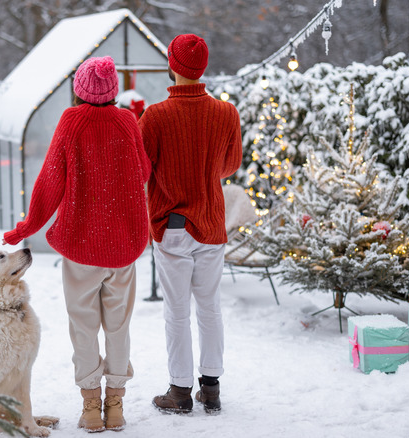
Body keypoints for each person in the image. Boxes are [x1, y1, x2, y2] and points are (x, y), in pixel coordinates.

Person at [2, 56, 150, 432]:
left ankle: (89, 409)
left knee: (83, 327)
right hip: (122, 247)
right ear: (113, 89)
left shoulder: (72, 122)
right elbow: (144, 171)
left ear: (80, 89)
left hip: (82, 246)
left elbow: (50, 181)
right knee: (118, 327)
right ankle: (115, 406)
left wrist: (26, 228)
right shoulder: (127, 121)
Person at [138, 34, 242, 414]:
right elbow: (229, 167)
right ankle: (211, 389)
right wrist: (203, 168)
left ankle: (180, 391)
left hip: (173, 227)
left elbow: (141, 170)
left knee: (176, 310)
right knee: (210, 307)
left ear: (172, 65)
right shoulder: (226, 113)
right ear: (203, 68)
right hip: (212, 223)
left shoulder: (155, 116)